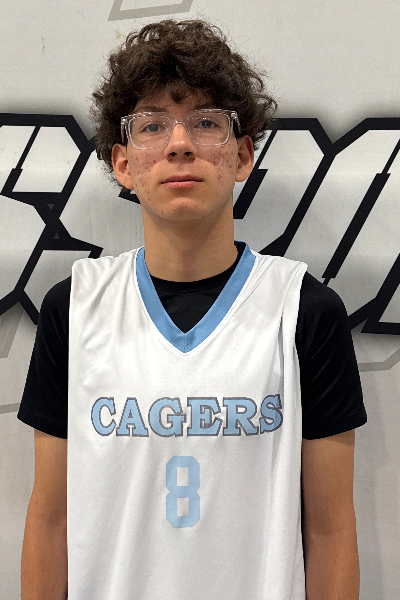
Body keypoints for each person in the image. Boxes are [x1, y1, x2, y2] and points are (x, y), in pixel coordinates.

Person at [18, 19, 367, 600]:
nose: (180, 143)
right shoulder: (74, 307)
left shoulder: (304, 310)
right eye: (153, 125)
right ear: (123, 163)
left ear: (242, 156)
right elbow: (50, 518)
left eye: (206, 122)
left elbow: (331, 530)